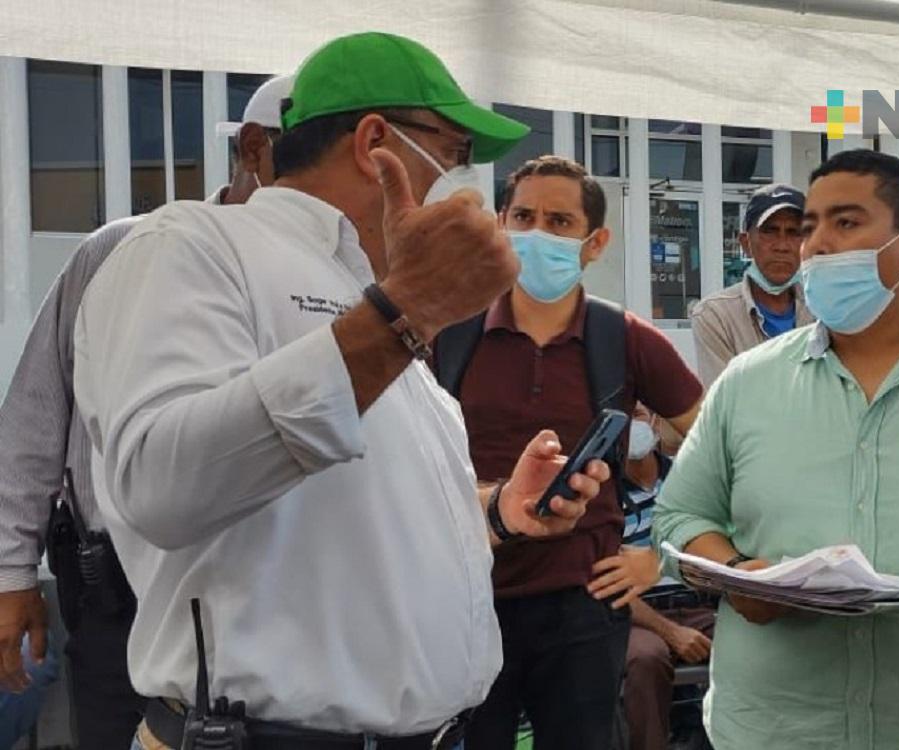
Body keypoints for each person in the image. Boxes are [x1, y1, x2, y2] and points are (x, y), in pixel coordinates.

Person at [73, 33, 610, 750]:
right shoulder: (191, 245)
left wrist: (498, 511)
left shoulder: (373, 298)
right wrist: (404, 313)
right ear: (375, 145)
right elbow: (161, 484)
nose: (467, 188)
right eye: (453, 157)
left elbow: (358, 521)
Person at [655, 149, 899, 750]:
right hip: (774, 729)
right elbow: (681, 516)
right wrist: (742, 577)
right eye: (811, 225)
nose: (814, 245)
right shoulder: (748, 381)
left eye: (844, 223)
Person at [0, 74, 291, 750]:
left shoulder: (322, 281)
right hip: (116, 596)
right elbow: (34, 423)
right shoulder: (122, 252)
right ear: (255, 152)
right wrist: (12, 574)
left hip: (253, 595)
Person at [434, 155, 703, 750]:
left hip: (583, 607)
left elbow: (716, 450)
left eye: (560, 222)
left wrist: (660, 556)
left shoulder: (625, 338)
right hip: (464, 597)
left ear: (594, 242)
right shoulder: (448, 333)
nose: (538, 234)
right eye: (524, 216)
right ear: (500, 222)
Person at [607, 404, 713, 750]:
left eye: (637, 415)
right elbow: (611, 584)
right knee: (645, 658)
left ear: (655, 419)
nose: (632, 427)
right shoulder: (602, 498)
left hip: (700, 602)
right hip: (638, 617)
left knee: (754, 644)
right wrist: (671, 631)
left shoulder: (688, 480)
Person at [691, 183, 813, 386]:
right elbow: (725, 404)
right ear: (746, 243)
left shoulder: (824, 311)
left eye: (794, 232)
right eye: (770, 231)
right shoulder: (716, 315)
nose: (782, 246)